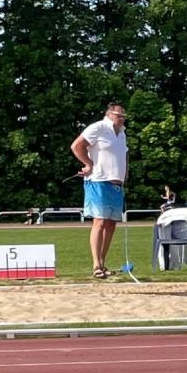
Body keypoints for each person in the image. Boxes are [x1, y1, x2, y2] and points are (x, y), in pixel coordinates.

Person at [70, 102, 129, 278]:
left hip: (116, 183)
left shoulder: (122, 133)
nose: (122, 118)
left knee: (111, 224)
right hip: (98, 181)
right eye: (119, 114)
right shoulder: (99, 127)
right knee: (100, 221)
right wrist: (88, 164)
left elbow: (124, 154)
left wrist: (125, 173)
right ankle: (96, 264)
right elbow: (76, 146)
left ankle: (102, 264)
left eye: (123, 115)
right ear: (109, 114)